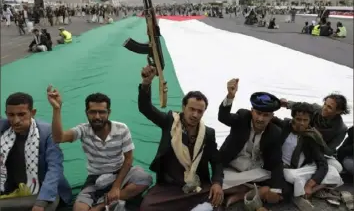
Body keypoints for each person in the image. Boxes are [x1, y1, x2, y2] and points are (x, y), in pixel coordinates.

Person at [46, 86, 152, 211]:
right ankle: (114, 202)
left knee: (145, 179)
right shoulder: (83, 130)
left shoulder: (121, 129)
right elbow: (59, 138)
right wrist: (57, 109)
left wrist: (116, 187)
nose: (97, 117)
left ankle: (101, 205)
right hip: (95, 178)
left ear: (109, 113)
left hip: (119, 172)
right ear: (86, 113)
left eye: (102, 112)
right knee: (78, 209)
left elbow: (128, 159)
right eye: (92, 112)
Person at [138, 65, 224, 211]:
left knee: (217, 203)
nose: (195, 114)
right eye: (192, 109)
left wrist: (216, 183)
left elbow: (216, 161)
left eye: (200, 111)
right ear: (183, 107)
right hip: (169, 187)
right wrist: (146, 83)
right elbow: (145, 108)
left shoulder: (208, 133)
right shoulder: (169, 122)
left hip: (197, 186)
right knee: (147, 207)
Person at [218, 79, 287, 207]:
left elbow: (276, 162)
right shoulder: (242, 117)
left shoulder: (275, 132)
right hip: (231, 168)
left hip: (254, 172)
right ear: (252, 111)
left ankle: (241, 193)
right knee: (215, 183)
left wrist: (275, 190)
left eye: (265, 115)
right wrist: (230, 96)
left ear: (271, 116)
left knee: (280, 185)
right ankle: (248, 191)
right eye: (258, 113)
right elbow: (223, 117)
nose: (260, 119)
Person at [0, 92, 72, 211]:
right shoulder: (3, 128)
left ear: (32, 113)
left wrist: (41, 202)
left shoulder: (47, 132)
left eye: (21, 114)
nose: (16, 120)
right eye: (11, 115)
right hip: (13, 191)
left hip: (46, 192)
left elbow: (54, 168)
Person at [272, 102, 342, 197]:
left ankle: (309, 188)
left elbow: (322, 164)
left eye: (305, 120)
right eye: (298, 119)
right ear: (293, 118)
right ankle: (307, 189)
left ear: (310, 120)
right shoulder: (284, 125)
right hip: (280, 167)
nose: (302, 123)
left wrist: (310, 185)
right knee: (288, 176)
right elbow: (268, 116)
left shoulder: (311, 136)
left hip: (299, 170)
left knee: (333, 171)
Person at [280, 93, 350, 173]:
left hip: (319, 153)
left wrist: (319, 139)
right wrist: (285, 103)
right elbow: (300, 106)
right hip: (303, 143)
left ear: (338, 111)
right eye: (324, 104)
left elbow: (330, 151)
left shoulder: (341, 129)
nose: (324, 108)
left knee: (337, 167)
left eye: (329, 107)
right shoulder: (317, 109)